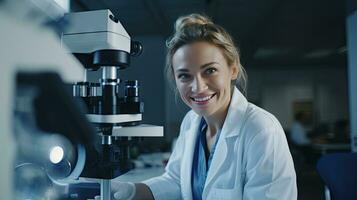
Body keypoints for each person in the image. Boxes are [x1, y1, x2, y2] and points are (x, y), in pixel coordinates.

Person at [112, 14, 297, 200]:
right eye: (185, 75)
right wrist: (132, 191)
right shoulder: (191, 122)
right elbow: (177, 181)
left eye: (210, 71)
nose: (198, 87)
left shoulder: (261, 129)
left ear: (233, 69)